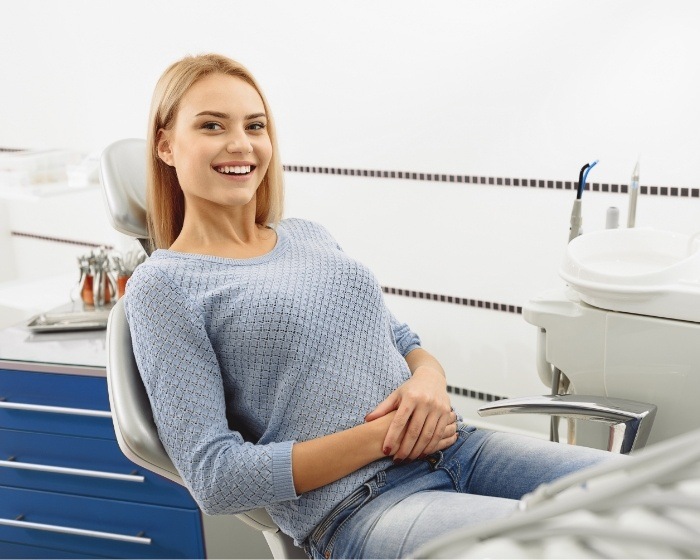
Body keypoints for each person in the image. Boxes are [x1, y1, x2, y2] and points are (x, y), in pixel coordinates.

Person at [125, 53, 618, 559]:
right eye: (212, 126)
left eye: (255, 125)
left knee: (657, 498)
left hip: (459, 448)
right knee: (562, 546)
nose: (241, 144)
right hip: (360, 506)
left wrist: (429, 382)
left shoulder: (307, 236)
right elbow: (216, 478)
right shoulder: (163, 285)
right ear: (166, 144)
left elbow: (403, 343)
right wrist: (385, 437)